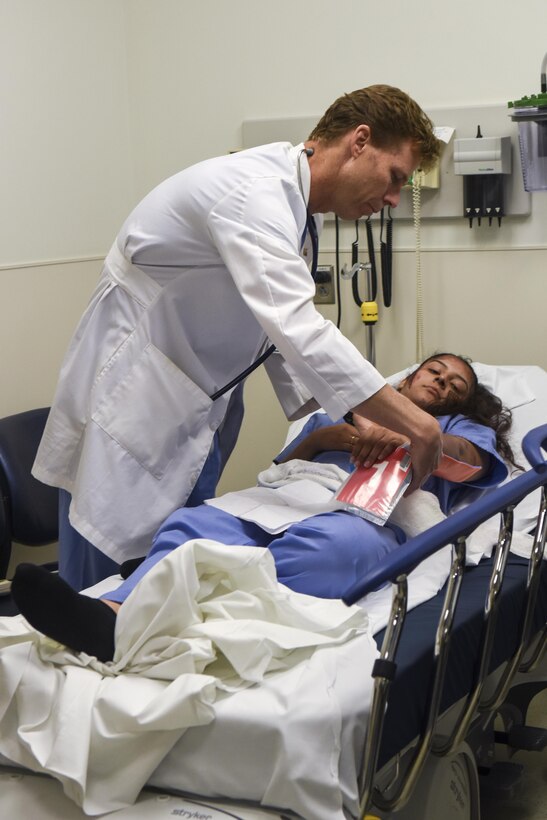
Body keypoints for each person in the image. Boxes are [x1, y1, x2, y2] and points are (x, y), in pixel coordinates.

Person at [32, 84, 443, 590]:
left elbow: (277, 335)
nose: (393, 199)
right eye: (395, 177)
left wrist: (361, 415)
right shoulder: (251, 191)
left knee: (169, 571)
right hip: (133, 403)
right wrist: (418, 425)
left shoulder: (297, 216)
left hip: (199, 405)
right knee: (97, 582)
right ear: (360, 141)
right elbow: (298, 327)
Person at [12, 354, 517, 663]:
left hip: (369, 516)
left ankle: (182, 609)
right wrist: (332, 435)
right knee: (194, 523)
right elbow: (283, 467)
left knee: (339, 553)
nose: (443, 384)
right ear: (408, 378)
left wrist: (416, 435)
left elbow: (471, 465)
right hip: (294, 495)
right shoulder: (347, 407)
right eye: (436, 371)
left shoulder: (456, 430)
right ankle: (110, 615)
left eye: (456, 387)